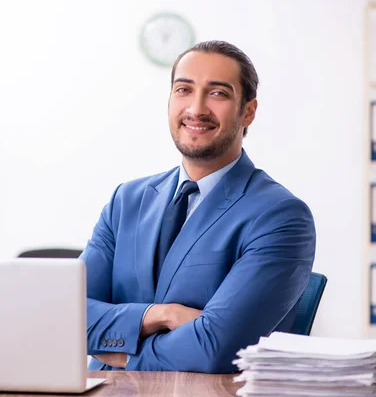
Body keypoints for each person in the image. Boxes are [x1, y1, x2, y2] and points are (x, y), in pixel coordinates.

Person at [82, 40, 316, 373]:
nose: (196, 108)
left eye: (218, 93)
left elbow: (217, 348)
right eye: (183, 90)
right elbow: (66, 316)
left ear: (248, 111)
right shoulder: (127, 200)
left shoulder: (280, 216)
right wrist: (158, 315)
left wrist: (122, 350)